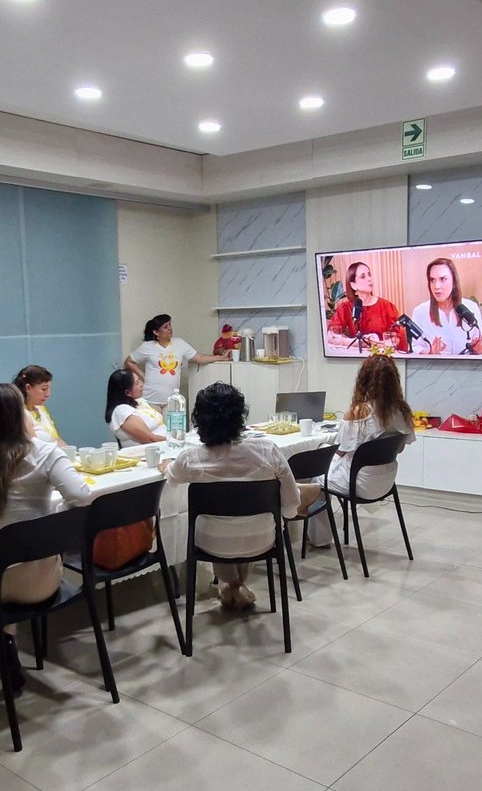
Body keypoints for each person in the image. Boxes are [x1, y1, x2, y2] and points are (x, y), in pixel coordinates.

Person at [0, 383, 94, 686]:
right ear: (19, 415)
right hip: (35, 582)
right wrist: (53, 518)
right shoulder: (44, 453)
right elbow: (82, 497)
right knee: (10, 569)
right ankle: (4, 640)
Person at [163, 383, 325, 610]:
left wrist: (167, 464)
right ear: (241, 416)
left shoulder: (190, 458)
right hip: (262, 539)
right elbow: (289, 509)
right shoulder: (267, 450)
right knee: (251, 517)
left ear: (198, 420)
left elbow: (170, 479)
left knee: (222, 524)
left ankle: (231, 586)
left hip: (210, 543)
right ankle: (235, 586)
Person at [327, 354, 416, 503]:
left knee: (313, 472)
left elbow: (341, 450)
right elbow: (400, 448)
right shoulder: (402, 411)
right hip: (386, 481)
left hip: (357, 483)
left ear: (364, 379)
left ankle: (313, 524)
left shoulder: (358, 411)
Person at [125, 313, 227, 405]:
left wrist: (220, 357)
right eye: (165, 327)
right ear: (156, 332)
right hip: (150, 399)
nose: (170, 328)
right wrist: (143, 375)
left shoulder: (179, 343)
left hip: (172, 400)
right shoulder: (148, 346)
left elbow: (199, 357)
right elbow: (129, 362)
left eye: (170, 325)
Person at [408, 257, 482, 356]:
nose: (436, 286)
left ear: (454, 282)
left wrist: (479, 350)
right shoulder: (420, 311)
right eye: (432, 280)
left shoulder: (471, 307)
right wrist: (430, 353)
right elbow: (416, 347)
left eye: (443, 279)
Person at [325, 261, 405, 352]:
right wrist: (357, 342)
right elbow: (331, 336)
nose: (369, 279)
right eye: (363, 276)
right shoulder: (345, 308)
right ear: (353, 285)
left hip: (382, 357)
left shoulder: (387, 306)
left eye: (369, 274)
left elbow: (396, 340)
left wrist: (375, 343)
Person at [105, 368, 168, 446]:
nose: (141, 384)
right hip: (147, 454)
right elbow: (150, 439)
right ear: (127, 392)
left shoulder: (140, 401)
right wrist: (177, 441)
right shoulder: (121, 411)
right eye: (137, 383)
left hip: (165, 447)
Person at [13, 364, 65, 447]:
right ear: (28, 388)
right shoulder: (21, 414)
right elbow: (35, 448)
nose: (48, 394)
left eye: (49, 389)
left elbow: (56, 439)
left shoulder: (41, 408)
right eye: (44, 389)